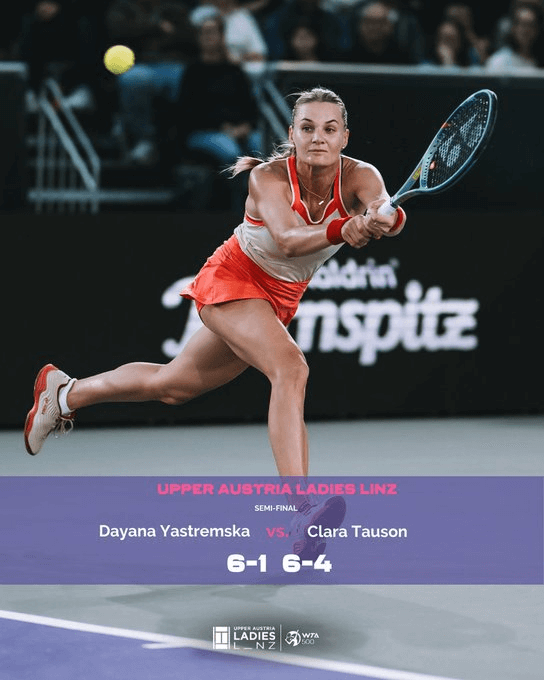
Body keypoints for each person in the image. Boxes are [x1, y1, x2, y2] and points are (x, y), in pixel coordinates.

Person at [24, 87, 406, 558]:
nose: (318, 138)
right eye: (307, 128)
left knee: (173, 386)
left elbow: (385, 208)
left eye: (330, 129)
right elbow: (288, 240)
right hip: (233, 279)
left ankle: (64, 394)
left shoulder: (362, 175)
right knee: (291, 369)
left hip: (279, 298)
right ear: (292, 134)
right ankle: (303, 511)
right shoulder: (268, 178)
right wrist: (341, 227)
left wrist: (384, 220)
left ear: (345, 137)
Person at [173, 12, 263, 211]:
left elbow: (250, 107)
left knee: (261, 146)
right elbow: (187, 114)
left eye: (212, 32)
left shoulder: (235, 71)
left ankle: (264, 212)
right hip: (203, 132)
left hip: (238, 130)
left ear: (222, 36)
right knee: (231, 152)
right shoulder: (192, 72)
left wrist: (245, 126)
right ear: (198, 38)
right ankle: (235, 211)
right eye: (204, 33)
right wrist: (223, 127)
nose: (208, 37)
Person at [106, 0, 198, 164]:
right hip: (143, 63)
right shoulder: (126, 6)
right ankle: (144, 137)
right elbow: (119, 31)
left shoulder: (175, 7)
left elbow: (190, 35)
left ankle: (185, 140)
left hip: (177, 64)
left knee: (190, 81)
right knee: (132, 79)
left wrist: (152, 32)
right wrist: (156, 27)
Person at [485, 3, 544, 71]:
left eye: (531, 25)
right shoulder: (498, 61)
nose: (526, 30)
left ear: (538, 29)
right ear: (513, 28)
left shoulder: (540, 60)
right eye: (523, 24)